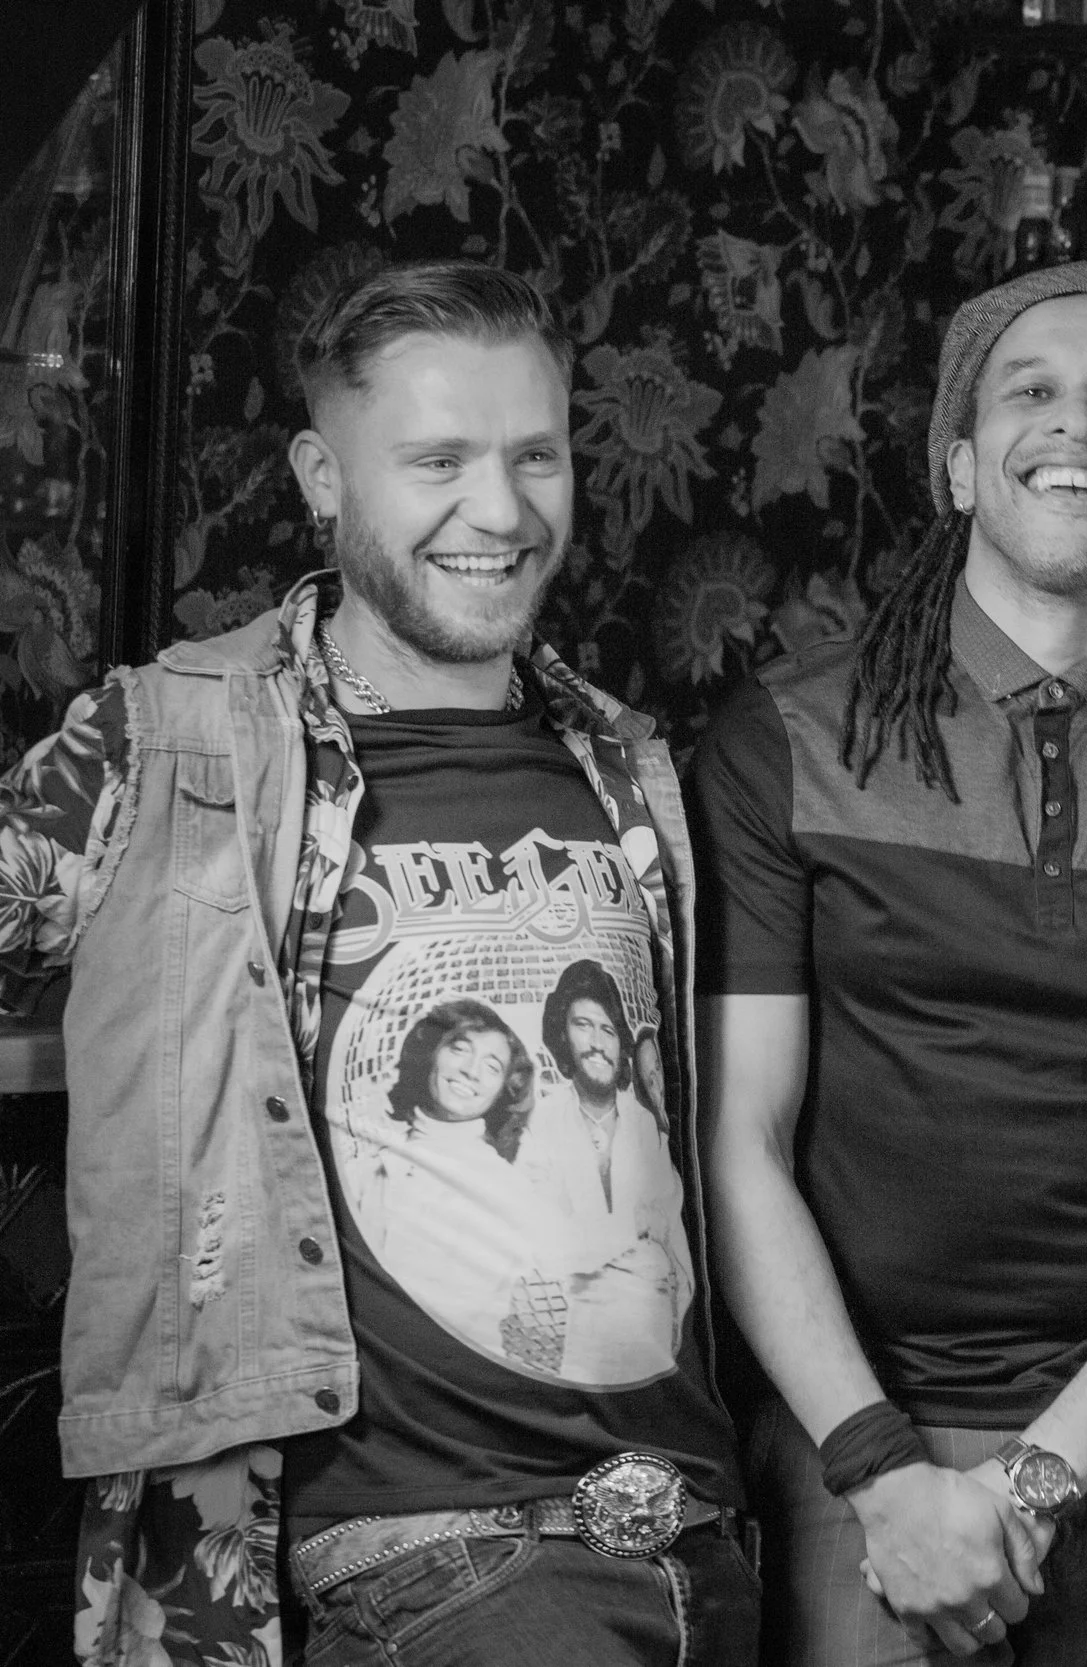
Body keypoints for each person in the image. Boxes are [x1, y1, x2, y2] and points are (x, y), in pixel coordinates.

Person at [0, 258, 754, 1665]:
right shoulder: (171, 742)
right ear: (321, 476)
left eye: (536, 455)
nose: (502, 508)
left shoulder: (632, 763)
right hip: (418, 1559)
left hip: (693, 1537)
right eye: (438, 460)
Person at [692, 261, 1087, 1666]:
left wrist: (1042, 1471)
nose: (1080, 422)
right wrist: (878, 1464)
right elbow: (736, 1136)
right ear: (958, 463)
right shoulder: (787, 743)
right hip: (852, 1438)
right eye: (1032, 391)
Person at [525, 956, 691, 1383]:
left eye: (608, 1030)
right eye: (583, 1025)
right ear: (562, 1035)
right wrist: (637, 1243)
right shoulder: (541, 1124)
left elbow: (676, 1255)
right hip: (575, 1353)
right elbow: (546, 1250)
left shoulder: (647, 1125)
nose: (598, 1042)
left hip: (658, 1348)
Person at [360, 998, 546, 1356]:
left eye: (492, 1067)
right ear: (431, 1055)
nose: (471, 1072)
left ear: (502, 1090)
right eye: (459, 1050)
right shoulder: (375, 1165)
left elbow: (447, 1316)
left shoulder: (503, 1189)